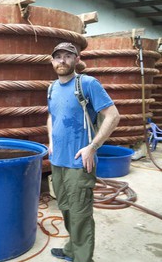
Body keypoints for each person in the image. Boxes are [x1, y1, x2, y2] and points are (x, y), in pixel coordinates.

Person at [47, 42, 120, 262]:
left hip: (79, 162)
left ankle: (83, 258)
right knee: (67, 209)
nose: (62, 60)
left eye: (67, 56)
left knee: (81, 214)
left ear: (77, 59)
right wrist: (51, 141)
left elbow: (113, 116)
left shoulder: (87, 83)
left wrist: (92, 147)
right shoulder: (52, 87)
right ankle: (72, 249)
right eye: (57, 56)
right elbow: (52, 116)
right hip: (58, 160)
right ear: (52, 61)